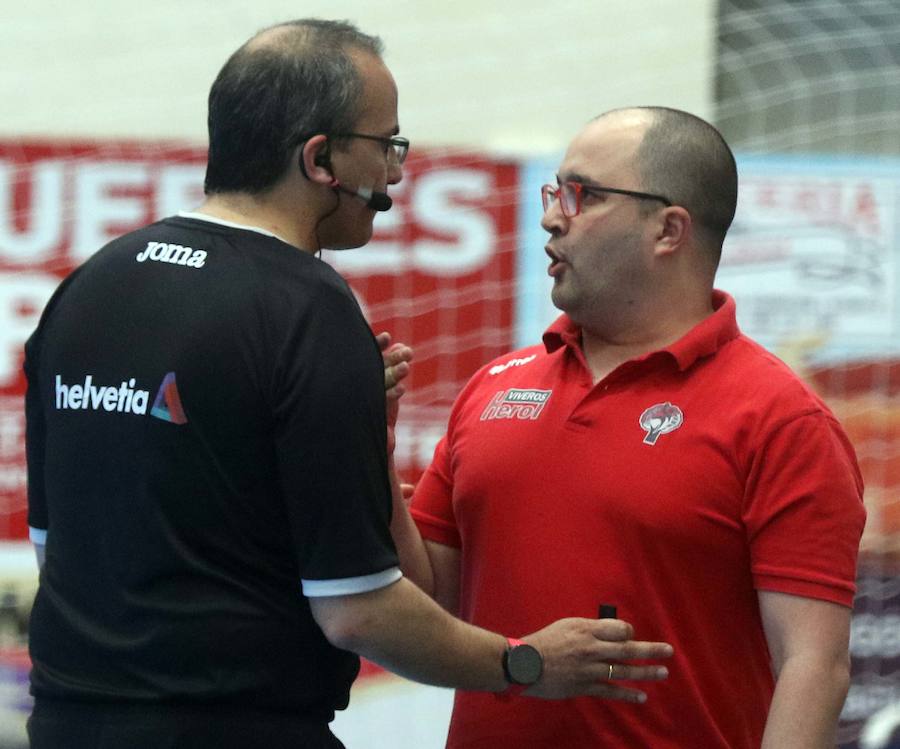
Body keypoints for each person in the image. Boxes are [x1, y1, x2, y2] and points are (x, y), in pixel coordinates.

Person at [22, 21, 674, 749]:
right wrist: (524, 661)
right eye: (386, 145)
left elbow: (60, 549)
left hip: (64, 724)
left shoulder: (87, 288)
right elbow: (359, 611)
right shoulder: (308, 308)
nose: (395, 173)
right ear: (320, 158)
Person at [396, 106, 867, 748]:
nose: (550, 215)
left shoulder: (782, 419)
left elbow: (814, 667)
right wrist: (368, 446)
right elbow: (425, 601)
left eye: (582, 194)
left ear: (669, 229)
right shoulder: (494, 386)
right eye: (555, 191)